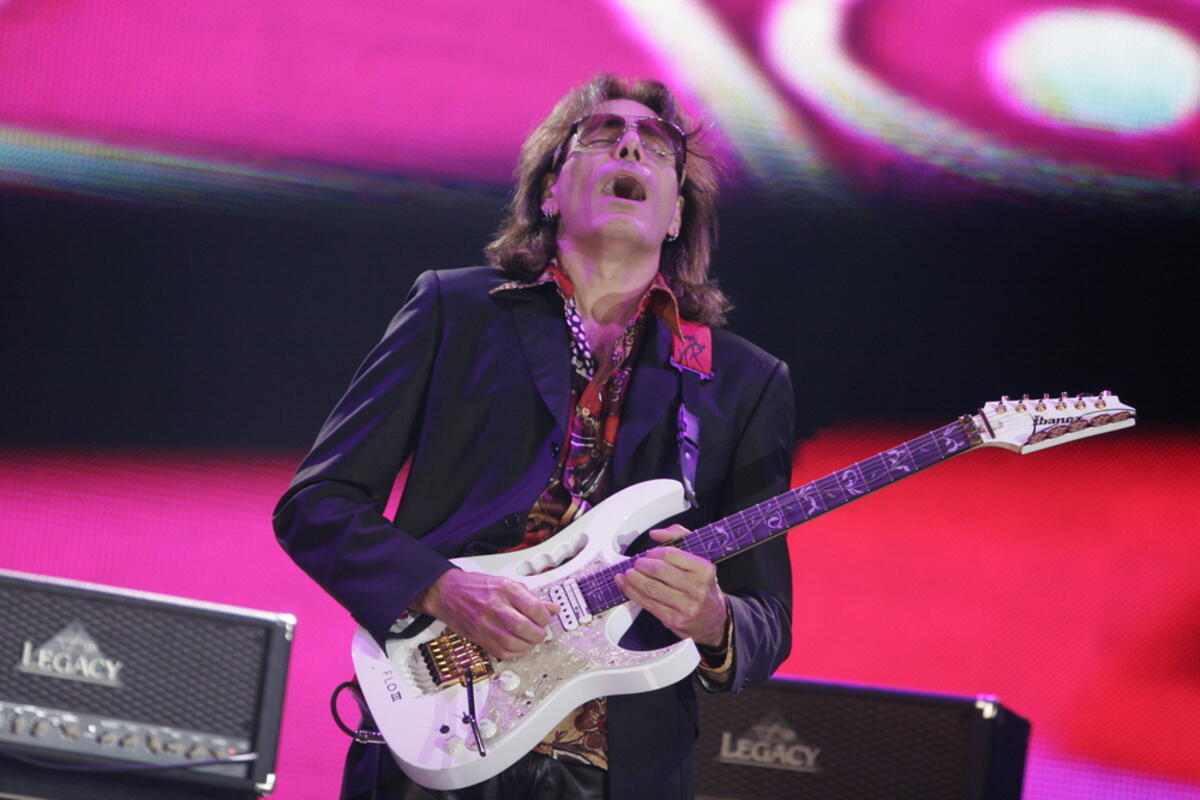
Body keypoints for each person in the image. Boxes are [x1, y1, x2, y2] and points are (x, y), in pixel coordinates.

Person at [274, 74, 795, 800]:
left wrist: (712, 617)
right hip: (436, 739)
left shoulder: (743, 380)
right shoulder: (455, 309)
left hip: (617, 773)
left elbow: (767, 619)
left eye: (657, 146)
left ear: (677, 210)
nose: (631, 148)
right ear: (551, 189)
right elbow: (318, 504)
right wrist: (441, 588)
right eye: (603, 135)